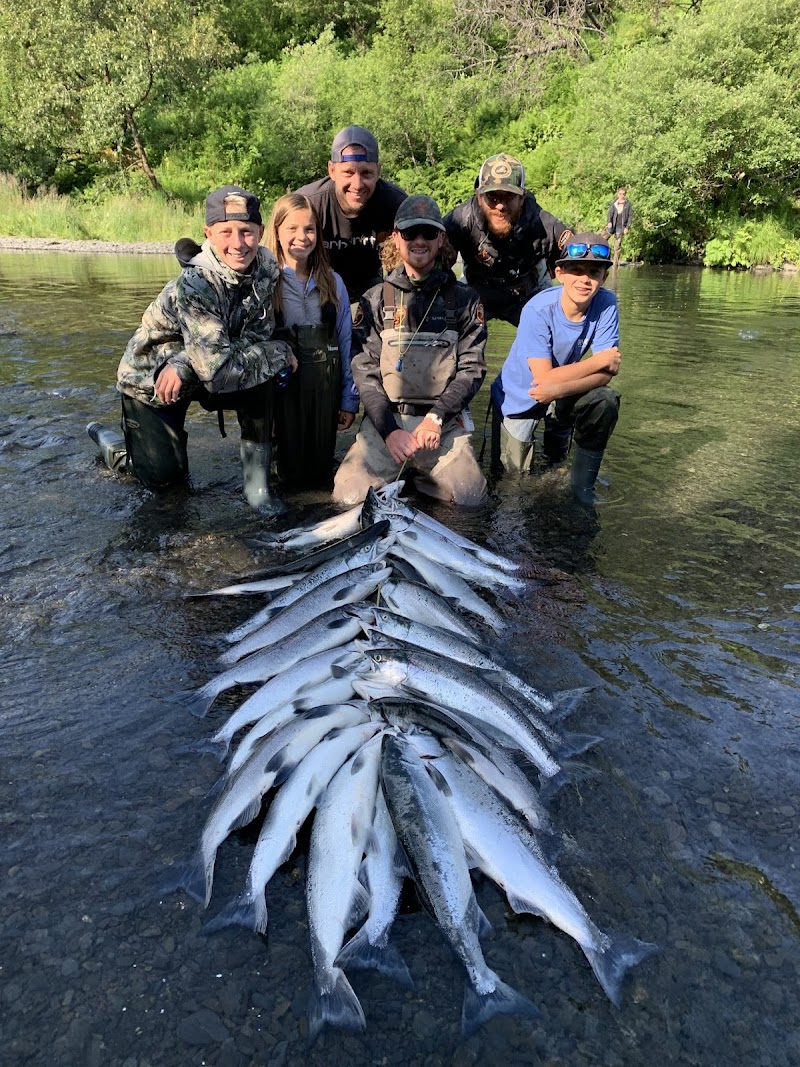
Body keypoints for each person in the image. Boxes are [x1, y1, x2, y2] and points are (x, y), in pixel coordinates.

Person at [87, 185, 293, 513]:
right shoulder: (196, 283)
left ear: (260, 232)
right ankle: (120, 451)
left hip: (199, 367)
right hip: (153, 379)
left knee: (261, 371)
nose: (238, 243)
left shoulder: (266, 267)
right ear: (208, 233)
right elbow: (218, 373)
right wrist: (282, 351)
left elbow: (256, 335)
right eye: (226, 232)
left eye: (246, 232)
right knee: (166, 485)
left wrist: (186, 361)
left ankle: (257, 488)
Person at [333, 195, 488, 507]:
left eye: (428, 233)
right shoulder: (374, 300)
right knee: (348, 498)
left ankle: (419, 482)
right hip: (386, 424)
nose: (419, 241)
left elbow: (472, 370)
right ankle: (406, 480)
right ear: (396, 237)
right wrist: (389, 430)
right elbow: (364, 373)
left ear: (441, 239)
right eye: (410, 232)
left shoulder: (465, 300)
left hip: (443, 425)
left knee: (469, 501)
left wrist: (437, 417)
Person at [444, 153, 574, 462]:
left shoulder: (541, 223)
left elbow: (574, 252)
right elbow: (431, 256)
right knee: (445, 342)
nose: (500, 205)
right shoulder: (460, 220)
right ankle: (447, 418)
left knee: (560, 349)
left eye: (509, 197)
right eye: (492, 197)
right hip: (478, 292)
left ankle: (556, 433)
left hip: (528, 292)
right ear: (479, 195)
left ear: (522, 197)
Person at [490, 233, 621, 505]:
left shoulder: (606, 303)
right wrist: (598, 361)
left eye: (594, 272)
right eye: (577, 270)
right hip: (520, 393)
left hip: (561, 389)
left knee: (604, 401)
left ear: (604, 277)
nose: (585, 280)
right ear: (559, 274)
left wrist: (558, 390)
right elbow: (544, 380)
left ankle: (582, 490)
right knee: (513, 481)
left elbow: (608, 375)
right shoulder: (537, 309)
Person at [264, 192, 360, 489]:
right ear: (276, 232)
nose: (302, 237)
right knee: (286, 477)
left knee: (321, 476)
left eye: (309, 229)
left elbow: (346, 342)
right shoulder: (265, 281)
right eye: (292, 228)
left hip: (325, 392)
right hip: (282, 393)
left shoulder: (334, 282)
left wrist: (349, 400)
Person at [297, 125, 407, 303]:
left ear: (378, 171)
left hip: (373, 289)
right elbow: (280, 260)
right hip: (318, 288)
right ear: (332, 171)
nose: (357, 184)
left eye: (366, 173)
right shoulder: (308, 205)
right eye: (348, 172)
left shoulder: (396, 205)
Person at [606, 186, 633, 267]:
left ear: (625, 195)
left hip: (621, 227)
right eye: (620, 194)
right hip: (612, 225)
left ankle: (615, 265)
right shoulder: (614, 203)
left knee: (617, 247)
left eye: (623, 194)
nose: (622, 195)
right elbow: (610, 213)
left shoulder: (628, 204)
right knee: (603, 238)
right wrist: (609, 222)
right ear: (618, 194)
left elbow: (630, 216)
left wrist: (627, 227)